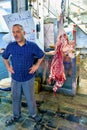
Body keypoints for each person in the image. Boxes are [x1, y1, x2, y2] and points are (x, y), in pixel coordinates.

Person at [2, 24, 44, 126]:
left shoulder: (32, 46)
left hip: (28, 78)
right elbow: (4, 57)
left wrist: (36, 66)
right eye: (14, 32)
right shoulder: (11, 46)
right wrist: (8, 67)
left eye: (18, 31)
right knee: (16, 98)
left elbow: (41, 55)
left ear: (23, 33)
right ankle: (16, 115)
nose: (15, 34)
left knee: (30, 98)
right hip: (15, 78)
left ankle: (33, 114)